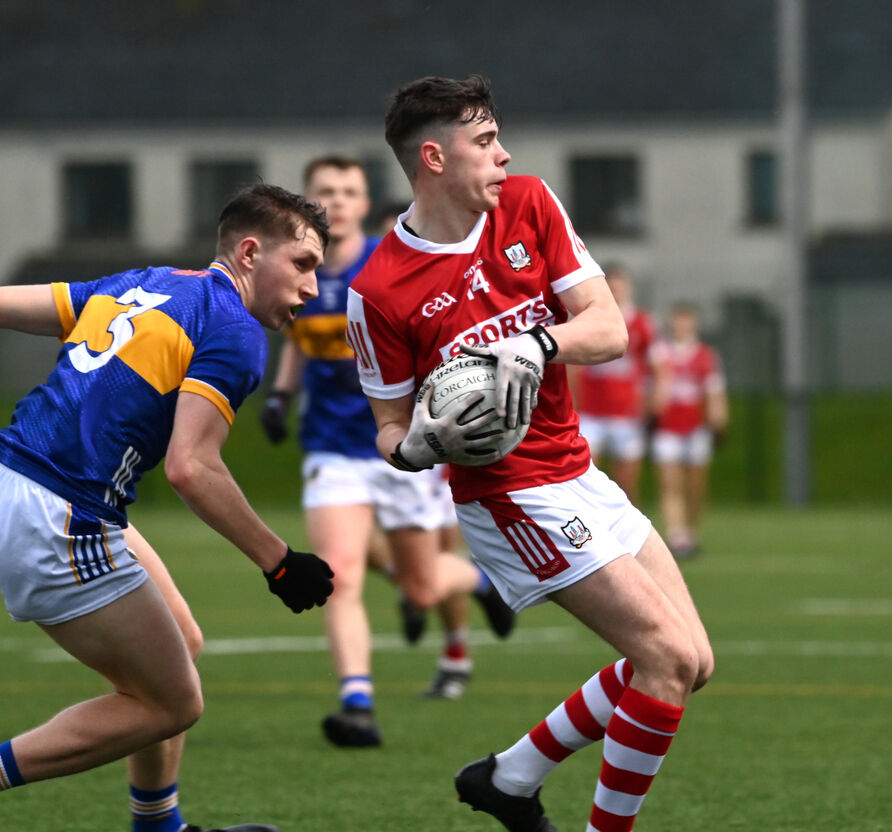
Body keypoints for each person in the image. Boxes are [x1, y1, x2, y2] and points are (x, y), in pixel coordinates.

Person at [347, 75, 713, 832]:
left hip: (577, 468)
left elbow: (606, 329)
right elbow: (388, 426)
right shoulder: (379, 290)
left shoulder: (531, 204)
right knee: (665, 661)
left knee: (691, 664)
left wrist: (533, 341)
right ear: (434, 157)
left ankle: (508, 779)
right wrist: (415, 444)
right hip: (508, 494)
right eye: (485, 143)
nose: (504, 155)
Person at [0, 184, 336, 832]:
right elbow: (191, 467)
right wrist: (280, 561)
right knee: (173, 703)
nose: (313, 289)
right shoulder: (234, 329)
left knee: (182, 637)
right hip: (56, 515)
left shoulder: (143, 280)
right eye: (304, 264)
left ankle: (158, 825)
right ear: (251, 251)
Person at [257, 156, 515, 746]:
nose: (338, 200)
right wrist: (281, 394)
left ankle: (478, 584)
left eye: (349, 191)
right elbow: (300, 334)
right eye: (326, 190)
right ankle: (357, 703)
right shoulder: (301, 267)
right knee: (339, 575)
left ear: (366, 200)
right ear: (309, 200)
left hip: (403, 443)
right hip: (331, 447)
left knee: (419, 589)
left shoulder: (391, 262)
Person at [568, 263, 656, 504]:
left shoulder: (641, 323)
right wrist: (573, 403)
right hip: (592, 411)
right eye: (611, 288)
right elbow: (574, 365)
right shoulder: (590, 320)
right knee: (584, 475)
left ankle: (628, 537)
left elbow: (655, 366)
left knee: (626, 480)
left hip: (627, 413)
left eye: (620, 287)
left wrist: (650, 403)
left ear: (629, 289)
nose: (616, 293)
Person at [649, 303, 729, 559]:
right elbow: (649, 387)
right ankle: (677, 534)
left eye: (686, 321)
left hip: (696, 428)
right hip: (668, 427)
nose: (681, 326)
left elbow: (714, 390)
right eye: (677, 321)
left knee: (695, 485)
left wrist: (719, 420)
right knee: (670, 482)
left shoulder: (705, 356)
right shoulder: (660, 353)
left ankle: (690, 531)